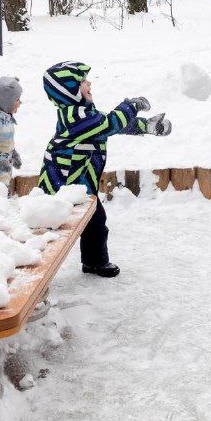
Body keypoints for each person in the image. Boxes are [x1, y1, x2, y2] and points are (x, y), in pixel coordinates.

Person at [37, 61, 171, 277]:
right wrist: (131, 105)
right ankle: (29, 265)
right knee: (51, 231)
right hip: (61, 187)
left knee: (96, 222)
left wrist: (147, 126)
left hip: (79, 187)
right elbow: (110, 124)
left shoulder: (83, 114)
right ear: (69, 90)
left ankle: (94, 262)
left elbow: (108, 126)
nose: (88, 83)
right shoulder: (75, 118)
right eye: (82, 81)